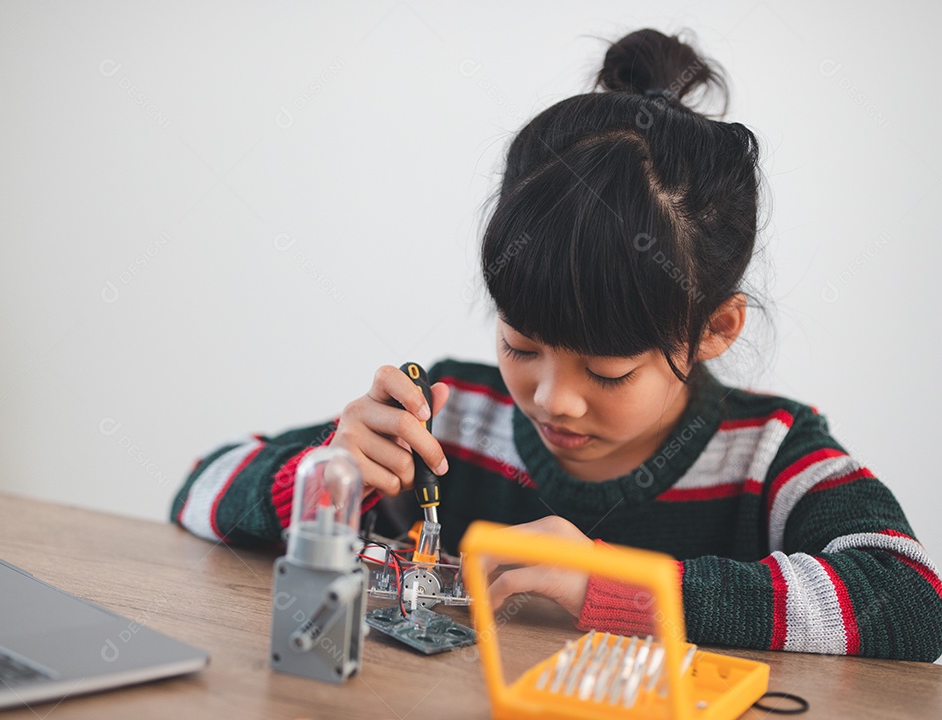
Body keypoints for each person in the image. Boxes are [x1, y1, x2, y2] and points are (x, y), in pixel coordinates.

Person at [171, 28, 942, 662]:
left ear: (714, 328)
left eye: (608, 370)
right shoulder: (451, 416)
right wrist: (329, 477)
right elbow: (197, 486)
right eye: (521, 345)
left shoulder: (770, 455)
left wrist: (620, 584)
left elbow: (911, 601)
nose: (551, 397)